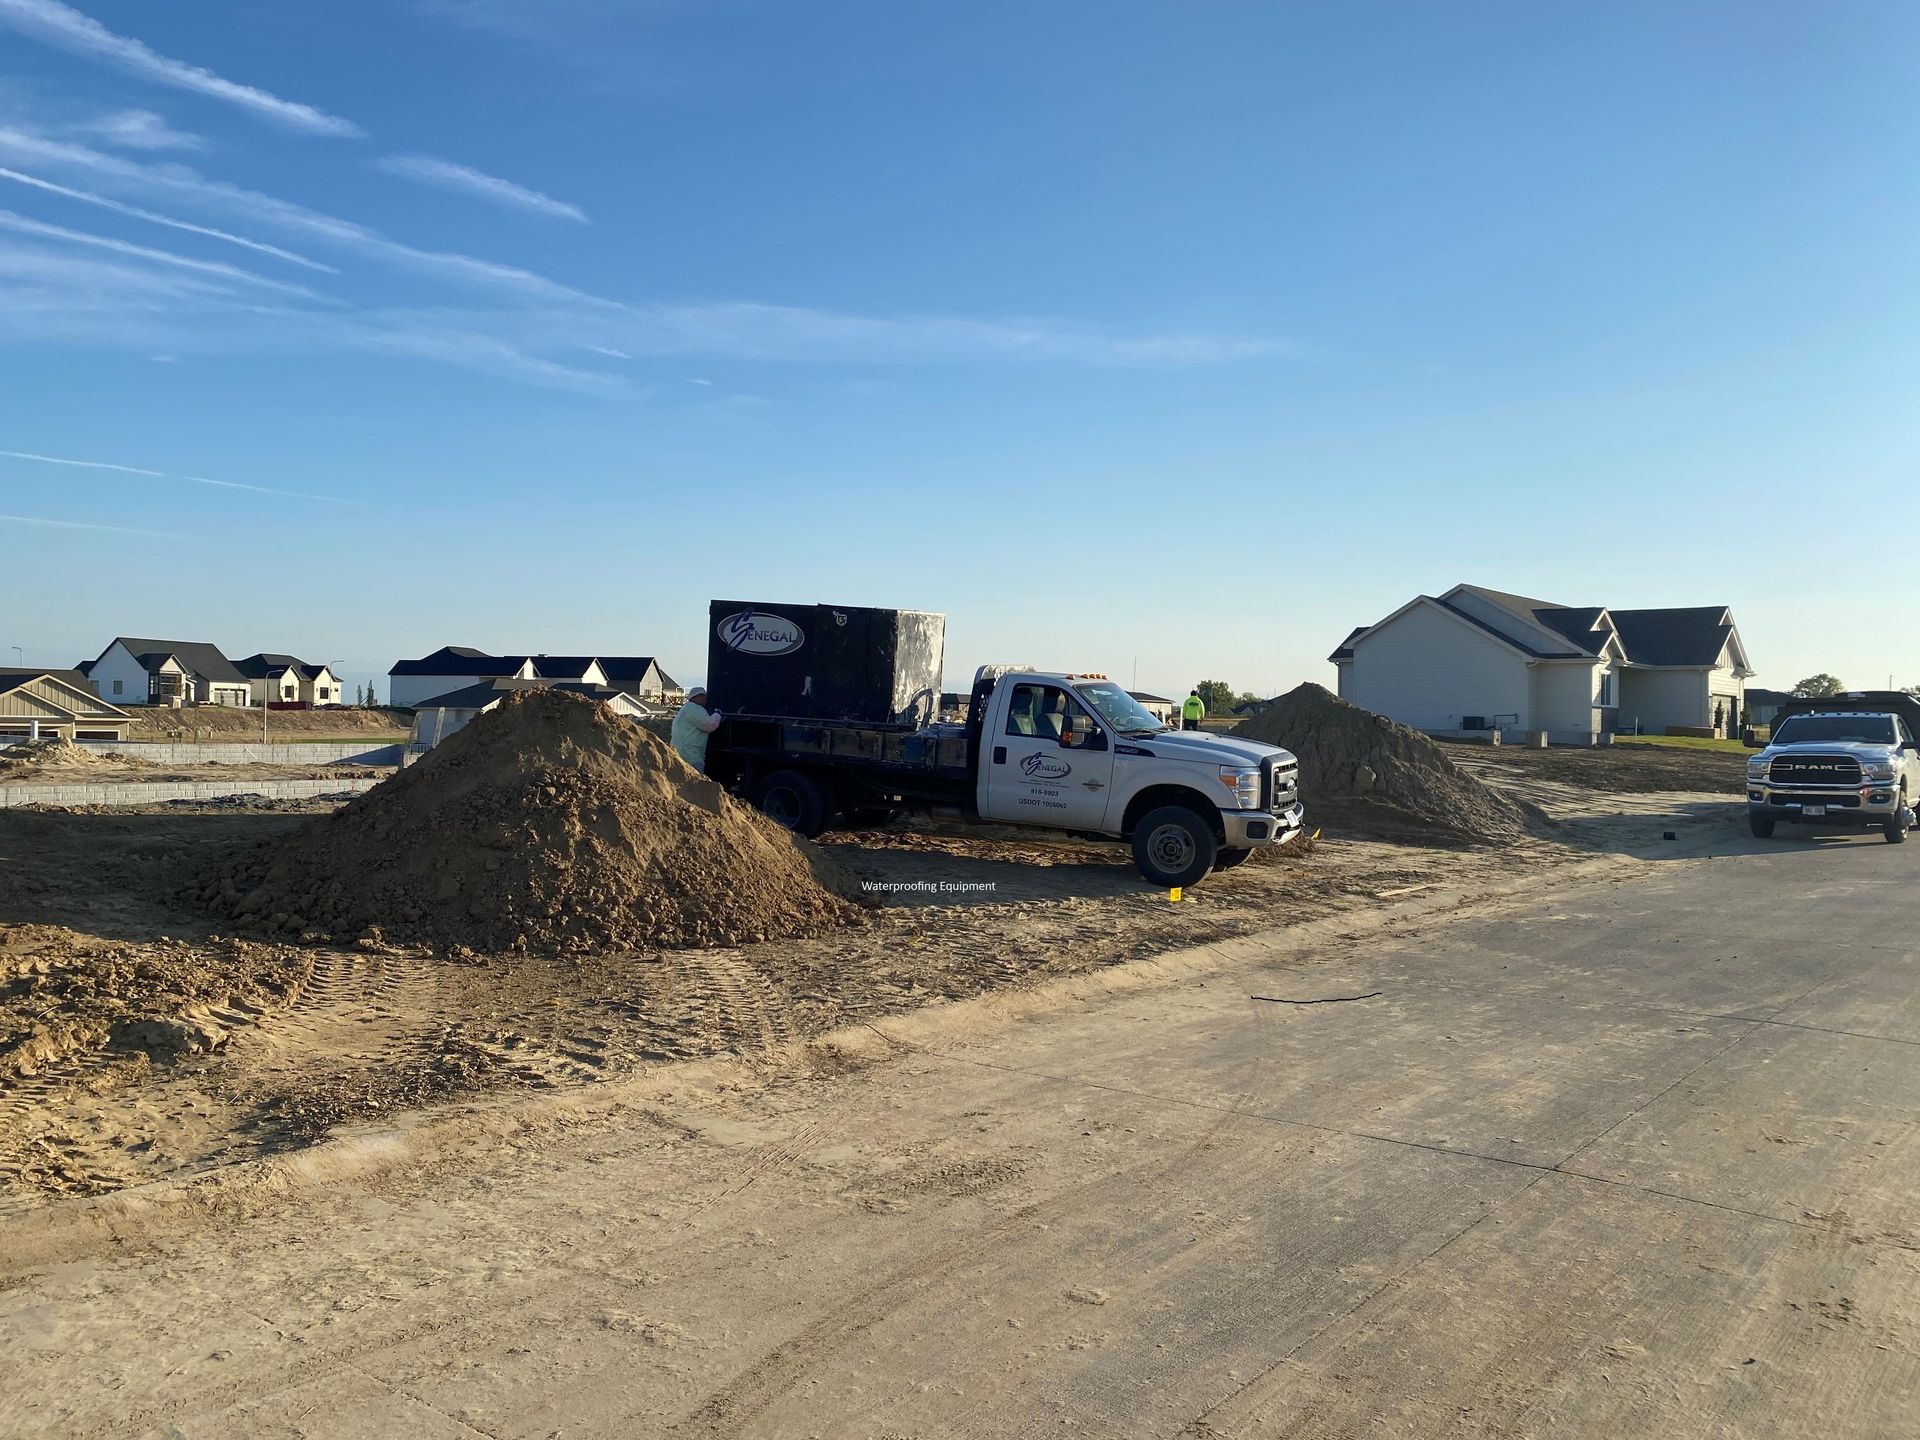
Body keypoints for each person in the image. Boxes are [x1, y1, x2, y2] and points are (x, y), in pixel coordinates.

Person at [671, 684, 723, 772]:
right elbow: (710, 725)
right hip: (691, 756)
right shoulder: (694, 709)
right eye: (704, 697)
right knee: (696, 783)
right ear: (697, 697)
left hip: (680, 754)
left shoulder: (685, 709)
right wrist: (717, 714)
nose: (706, 700)